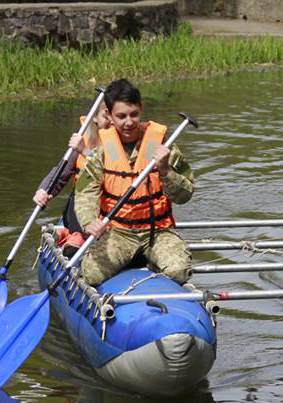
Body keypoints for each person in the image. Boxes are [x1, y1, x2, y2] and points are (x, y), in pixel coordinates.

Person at [72, 78, 195, 287]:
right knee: (91, 274)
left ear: (141, 109)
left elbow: (186, 194)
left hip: (157, 231)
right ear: (109, 116)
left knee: (179, 271)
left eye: (133, 114)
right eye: (121, 116)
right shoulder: (101, 152)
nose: (128, 122)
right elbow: (85, 194)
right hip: (118, 232)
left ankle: (155, 262)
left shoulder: (164, 147)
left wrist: (165, 170)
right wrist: (88, 222)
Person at [33, 100, 112, 246]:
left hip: (111, 204)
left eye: (116, 116)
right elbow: (61, 172)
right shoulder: (85, 139)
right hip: (83, 205)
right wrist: (43, 190)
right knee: (83, 187)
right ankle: (71, 235)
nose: (112, 121)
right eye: (107, 116)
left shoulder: (124, 144)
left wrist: (85, 152)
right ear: (94, 117)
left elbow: (114, 175)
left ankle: (71, 235)